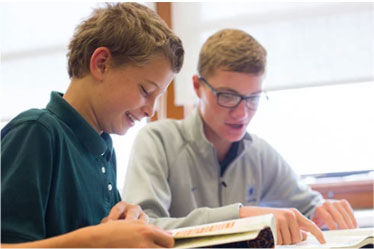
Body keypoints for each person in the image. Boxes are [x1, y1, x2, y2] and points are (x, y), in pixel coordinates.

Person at [123, 29, 358, 245]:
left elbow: (309, 207)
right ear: (197, 86)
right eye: (227, 96)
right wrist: (238, 216)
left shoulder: (259, 152)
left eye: (253, 98)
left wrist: (324, 211)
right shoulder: (157, 141)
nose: (241, 113)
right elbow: (141, 227)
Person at [1, 2, 184, 248]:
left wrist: (127, 225)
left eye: (157, 97)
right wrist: (98, 241)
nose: (150, 110)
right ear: (101, 64)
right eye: (145, 90)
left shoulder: (103, 150)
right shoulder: (37, 131)